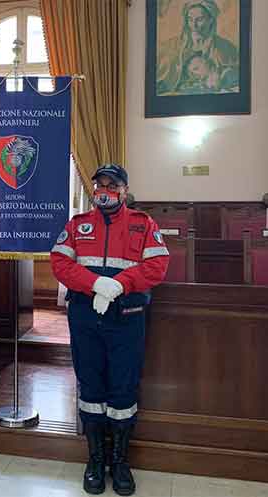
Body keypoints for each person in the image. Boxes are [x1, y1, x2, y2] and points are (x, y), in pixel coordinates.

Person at [50, 164, 169, 496]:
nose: (104, 190)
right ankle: (95, 459)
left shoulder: (143, 225)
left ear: (124, 190)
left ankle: (119, 462)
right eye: (99, 184)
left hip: (126, 318)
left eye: (111, 184)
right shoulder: (78, 225)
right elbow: (60, 262)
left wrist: (118, 285)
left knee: (123, 388)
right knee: (90, 385)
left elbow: (158, 265)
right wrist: (95, 284)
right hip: (85, 317)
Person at [156, 0, 239, 96]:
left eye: (199, 19)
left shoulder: (225, 47)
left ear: (211, 20)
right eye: (190, 19)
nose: (193, 25)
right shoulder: (170, 47)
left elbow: (236, 78)